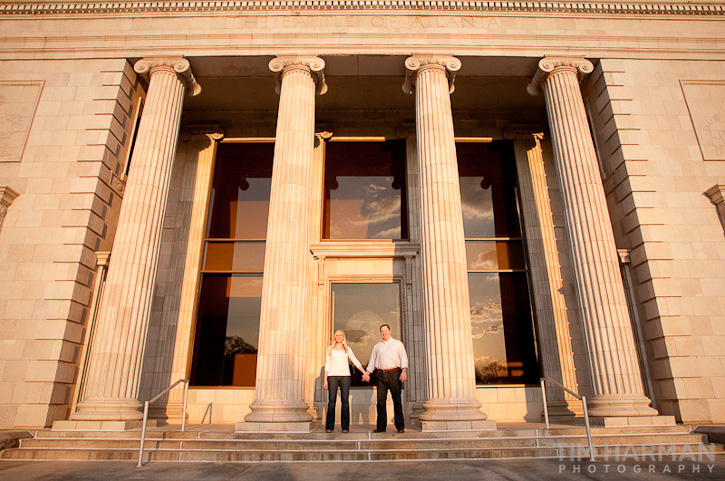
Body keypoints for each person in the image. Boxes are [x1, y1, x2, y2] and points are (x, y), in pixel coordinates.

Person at [362, 324, 408, 433]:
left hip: (394, 373)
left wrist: (404, 372)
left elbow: (403, 359)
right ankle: (381, 427)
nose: (384, 333)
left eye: (386, 331)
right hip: (381, 375)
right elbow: (372, 362)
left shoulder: (398, 344)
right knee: (380, 402)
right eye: (382, 331)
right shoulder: (377, 346)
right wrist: (367, 373)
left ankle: (400, 426)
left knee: (396, 400)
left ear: (390, 331)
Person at [324, 329, 366, 433]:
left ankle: (345, 427)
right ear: (335, 337)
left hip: (345, 377)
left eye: (341, 335)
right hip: (332, 376)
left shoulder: (347, 349)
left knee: (345, 401)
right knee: (331, 401)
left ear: (343, 337)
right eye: (337, 335)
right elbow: (327, 364)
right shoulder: (330, 349)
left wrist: (364, 372)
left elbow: (355, 361)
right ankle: (329, 426)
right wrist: (325, 380)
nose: (339, 337)